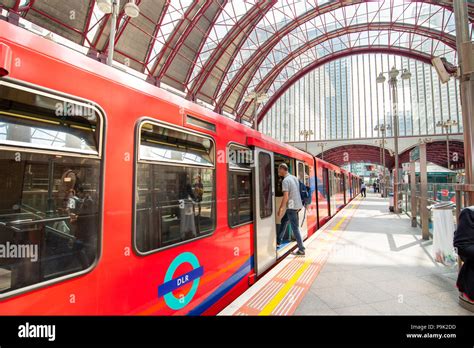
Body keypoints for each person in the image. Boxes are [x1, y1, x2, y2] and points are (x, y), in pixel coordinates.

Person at [277, 163, 305, 256]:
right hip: (297, 205)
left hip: (291, 207)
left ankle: (301, 249)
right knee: (284, 221)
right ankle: (278, 241)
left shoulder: (285, 180)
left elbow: (286, 196)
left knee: (294, 228)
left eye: (279, 169)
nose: (278, 171)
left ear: (283, 169)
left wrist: (281, 208)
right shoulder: (293, 177)